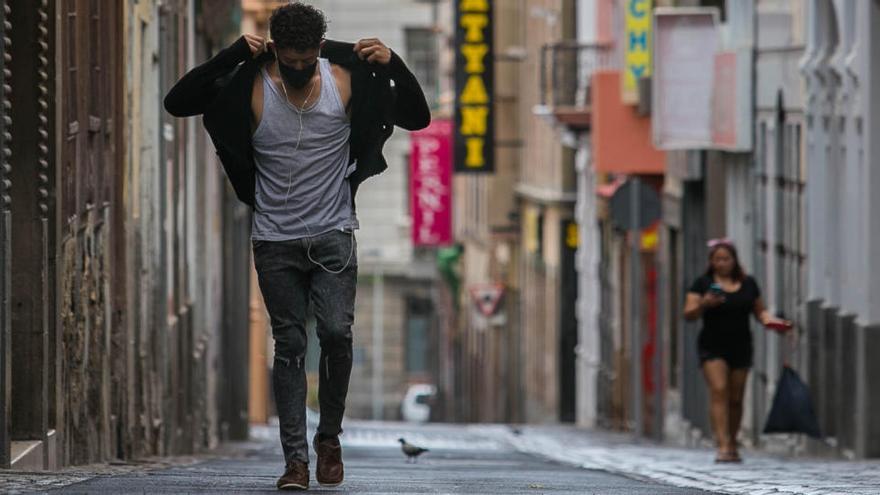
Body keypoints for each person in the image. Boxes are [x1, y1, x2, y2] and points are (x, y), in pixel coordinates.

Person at [164, 2, 429, 490]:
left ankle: (327, 437)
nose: (301, 69)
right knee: (289, 344)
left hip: (333, 234)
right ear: (274, 48)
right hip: (275, 238)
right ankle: (295, 462)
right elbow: (178, 102)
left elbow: (418, 117)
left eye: (309, 60)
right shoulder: (248, 84)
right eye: (292, 60)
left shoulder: (348, 81)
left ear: (320, 50)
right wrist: (228, 57)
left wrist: (396, 65)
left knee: (336, 334)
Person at [683, 239, 789, 463]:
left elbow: (760, 312)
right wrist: (704, 303)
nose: (722, 263)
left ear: (734, 261)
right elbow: (688, 313)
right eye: (717, 259)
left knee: (736, 398)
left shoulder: (749, 284)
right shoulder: (702, 284)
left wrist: (776, 324)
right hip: (712, 346)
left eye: (726, 259)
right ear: (711, 262)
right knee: (719, 390)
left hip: (741, 346)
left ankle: (732, 440)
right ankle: (722, 445)